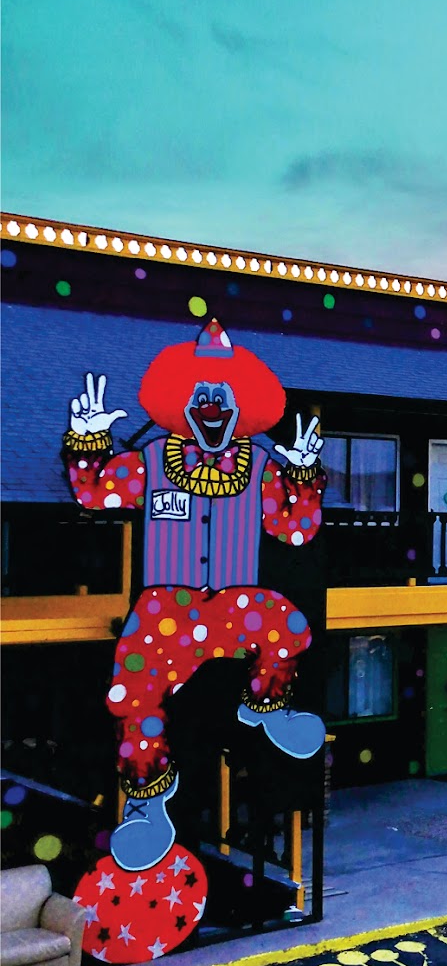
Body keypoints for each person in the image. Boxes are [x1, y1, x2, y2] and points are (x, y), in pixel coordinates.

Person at [62, 318, 327, 872]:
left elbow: (294, 530)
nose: (212, 402)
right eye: (201, 394)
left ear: (243, 405)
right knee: (132, 690)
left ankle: (266, 707)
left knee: (289, 625)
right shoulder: (156, 460)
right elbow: (96, 492)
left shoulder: (258, 466)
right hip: (166, 610)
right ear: (182, 402)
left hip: (234, 603)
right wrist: (89, 438)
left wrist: (302, 476)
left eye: (223, 395)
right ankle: (148, 802)